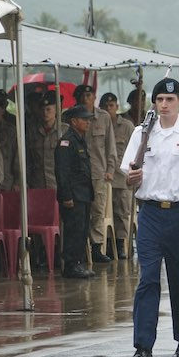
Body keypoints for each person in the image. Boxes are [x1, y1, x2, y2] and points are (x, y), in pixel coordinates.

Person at [122, 77, 179, 357]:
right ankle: (143, 346)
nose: (164, 104)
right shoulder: (142, 132)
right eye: (159, 99)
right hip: (149, 213)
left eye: (170, 99)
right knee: (147, 279)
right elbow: (128, 175)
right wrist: (132, 177)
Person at [74, 84, 117, 263]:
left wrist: (110, 170)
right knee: (81, 211)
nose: (86, 99)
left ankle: (97, 246)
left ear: (94, 97)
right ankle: (81, 248)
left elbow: (110, 146)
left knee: (98, 210)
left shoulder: (104, 117)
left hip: (98, 172)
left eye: (89, 95)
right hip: (78, 173)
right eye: (83, 96)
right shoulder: (72, 116)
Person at [55, 105, 96, 279]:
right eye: (84, 119)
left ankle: (78, 263)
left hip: (83, 194)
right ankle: (71, 265)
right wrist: (66, 196)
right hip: (73, 195)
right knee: (74, 230)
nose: (88, 122)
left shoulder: (80, 140)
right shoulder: (67, 142)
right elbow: (62, 171)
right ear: (73, 121)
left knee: (82, 230)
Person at [101, 92, 136, 259]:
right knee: (104, 214)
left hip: (122, 177)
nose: (109, 109)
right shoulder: (99, 124)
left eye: (111, 106)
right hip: (104, 175)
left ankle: (121, 243)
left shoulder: (127, 126)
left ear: (117, 107)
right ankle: (108, 243)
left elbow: (135, 150)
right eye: (105, 107)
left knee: (122, 212)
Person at [26, 91, 66, 189]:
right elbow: (28, 159)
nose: (45, 113)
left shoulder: (65, 130)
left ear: (56, 110)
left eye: (48, 109)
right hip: (38, 184)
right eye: (42, 109)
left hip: (59, 184)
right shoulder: (32, 132)